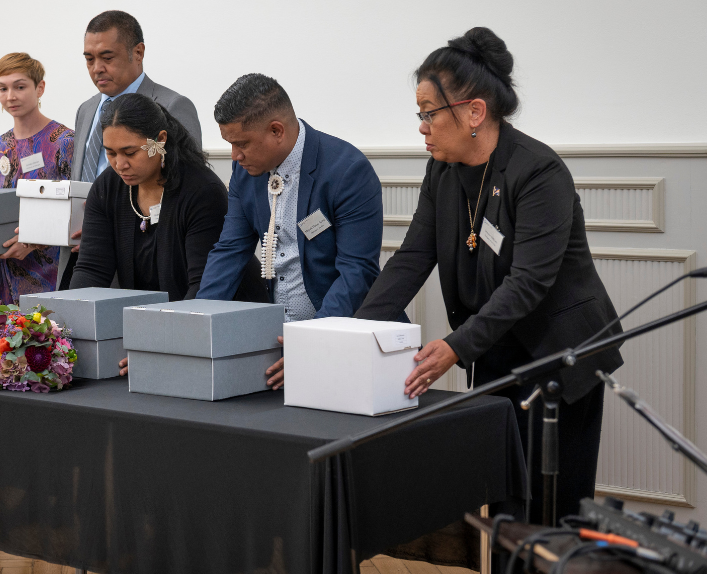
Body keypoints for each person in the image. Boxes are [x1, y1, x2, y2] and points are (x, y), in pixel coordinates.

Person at [353, 27, 623, 522]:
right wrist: (353, 332)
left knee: (552, 511)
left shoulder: (539, 172)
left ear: (474, 112)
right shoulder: (442, 171)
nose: (422, 127)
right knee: (505, 504)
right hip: (497, 349)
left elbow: (528, 283)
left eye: (429, 113)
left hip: (558, 358)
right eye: (420, 114)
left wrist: (456, 346)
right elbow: (412, 258)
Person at [196, 73, 385, 390]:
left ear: (276, 131)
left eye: (241, 144)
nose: (234, 156)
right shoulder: (245, 172)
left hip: (343, 338)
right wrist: (197, 325)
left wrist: (311, 342)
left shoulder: (347, 170)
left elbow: (357, 271)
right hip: (277, 342)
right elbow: (229, 251)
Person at [70, 94, 266, 376]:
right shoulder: (107, 187)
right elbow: (90, 271)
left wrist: (159, 343)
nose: (119, 164)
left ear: (160, 140)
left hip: (226, 335)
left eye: (130, 152)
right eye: (110, 153)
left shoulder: (201, 191)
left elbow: (203, 288)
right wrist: (65, 332)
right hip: (158, 332)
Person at [61, 9, 203, 287]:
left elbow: (185, 186)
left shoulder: (172, 106)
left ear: (138, 52)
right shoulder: (86, 109)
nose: (97, 68)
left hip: (142, 257)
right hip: (83, 255)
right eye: (89, 59)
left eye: (107, 57)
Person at [0, 52, 75, 304]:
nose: (10, 96)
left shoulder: (64, 141)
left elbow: (75, 209)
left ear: (40, 88)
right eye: (2, 88)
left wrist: (32, 243)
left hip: (50, 266)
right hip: (5, 265)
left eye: (20, 87)